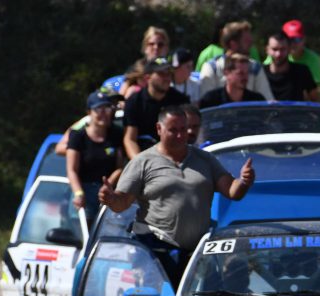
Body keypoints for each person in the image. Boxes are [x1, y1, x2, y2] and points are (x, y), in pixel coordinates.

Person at [98, 106, 255, 284]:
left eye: (183, 129)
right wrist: (110, 198)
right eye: (173, 130)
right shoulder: (142, 162)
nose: (181, 135)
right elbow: (122, 203)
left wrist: (244, 181)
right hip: (156, 252)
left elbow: (233, 191)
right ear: (159, 129)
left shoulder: (205, 159)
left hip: (196, 254)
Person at [66, 90, 125, 227]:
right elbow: (71, 170)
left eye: (107, 108)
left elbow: (120, 167)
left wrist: (108, 184)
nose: (104, 113)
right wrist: (79, 193)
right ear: (89, 112)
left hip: (108, 194)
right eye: (98, 109)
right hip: (83, 192)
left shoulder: (116, 134)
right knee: (82, 235)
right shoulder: (77, 135)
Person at [122, 56, 190, 159]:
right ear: (147, 77)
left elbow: (186, 135)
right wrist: (140, 163)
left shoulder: (180, 101)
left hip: (175, 156)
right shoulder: (134, 102)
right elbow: (130, 139)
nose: (167, 78)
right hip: (145, 155)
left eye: (169, 74)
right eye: (161, 74)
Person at [198, 21, 274, 101]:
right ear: (233, 44)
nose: (251, 44)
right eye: (246, 41)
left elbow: (267, 101)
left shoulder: (255, 67)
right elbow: (206, 103)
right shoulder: (212, 68)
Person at [265, 20, 320, 86]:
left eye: (296, 39)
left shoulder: (314, 59)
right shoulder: (277, 55)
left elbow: (314, 90)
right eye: (288, 39)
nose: (292, 43)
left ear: (304, 39)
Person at [264, 31, 318, 101]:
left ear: (289, 49)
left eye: (282, 49)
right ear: (267, 50)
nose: (278, 54)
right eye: (274, 49)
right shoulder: (259, 73)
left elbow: (315, 99)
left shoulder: (301, 71)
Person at [198, 53, 267, 108]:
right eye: (240, 73)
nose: (245, 77)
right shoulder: (210, 100)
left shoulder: (256, 101)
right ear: (226, 73)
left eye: (247, 73)